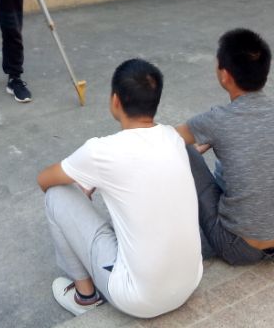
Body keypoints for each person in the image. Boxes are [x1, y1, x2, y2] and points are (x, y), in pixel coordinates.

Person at [37, 59, 203, 319]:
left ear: (115, 101)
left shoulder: (100, 151)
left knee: (57, 195)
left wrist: (81, 181)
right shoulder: (173, 137)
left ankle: (85, 297)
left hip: (140, 299)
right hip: (190, 281)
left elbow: (44, 180)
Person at [176, 29, 274, 265]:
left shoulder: (217, 119)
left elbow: (168, 138)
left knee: (184, 151)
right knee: (270, 163)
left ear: (225, 75)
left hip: (238, 248)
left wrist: (197, 147)